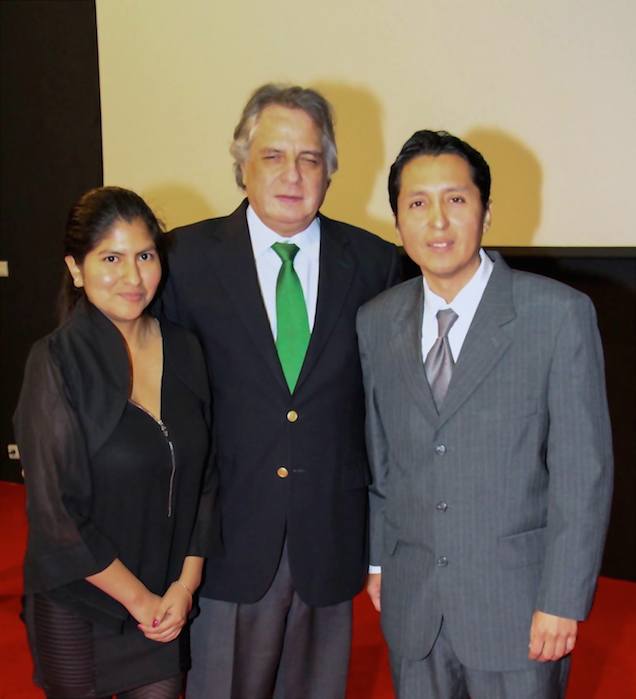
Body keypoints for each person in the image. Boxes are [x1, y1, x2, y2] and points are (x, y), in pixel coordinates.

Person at [160, 83, 401, 699]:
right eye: (273, 156)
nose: (292, 174)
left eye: (310, 158)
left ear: (330, 171)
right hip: (223, 542)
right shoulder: (183, 259)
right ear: (242, 164)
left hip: (329, 536)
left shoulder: (377, 264)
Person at [356, 130, 613, 698]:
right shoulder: (377, 321)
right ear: (397, 222)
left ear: (486, 212)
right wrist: (378, 563)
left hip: (518, 610)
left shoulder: (556, 315)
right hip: (414, 604)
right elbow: (382, 461)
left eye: (457, 199)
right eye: (417, 204)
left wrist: (562, 600)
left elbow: (582, 472)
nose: (438, 222)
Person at [14, 187, 219, 699]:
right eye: (111, 257)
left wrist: (184, 587)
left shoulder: (185, 348)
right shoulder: (56, 361)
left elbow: (207, 480)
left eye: (145, 256)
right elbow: (57, 516)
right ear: (76, 268)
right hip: (81, 602)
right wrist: (140, 601)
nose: (133, 276)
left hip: (165, 600)